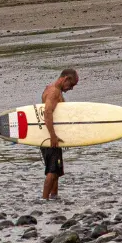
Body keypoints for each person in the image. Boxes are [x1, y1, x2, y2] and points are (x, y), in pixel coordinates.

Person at [40, 69, 78, 200]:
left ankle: (54, 197)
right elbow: (47, 113)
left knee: (56, 171)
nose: (71, 88)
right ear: (65, 79)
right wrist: (53, 136)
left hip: (50, 136)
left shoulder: (52, 89)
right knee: (52, 171)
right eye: (71, 85)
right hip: (50, 137)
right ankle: (44, 200)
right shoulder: (53, 92)